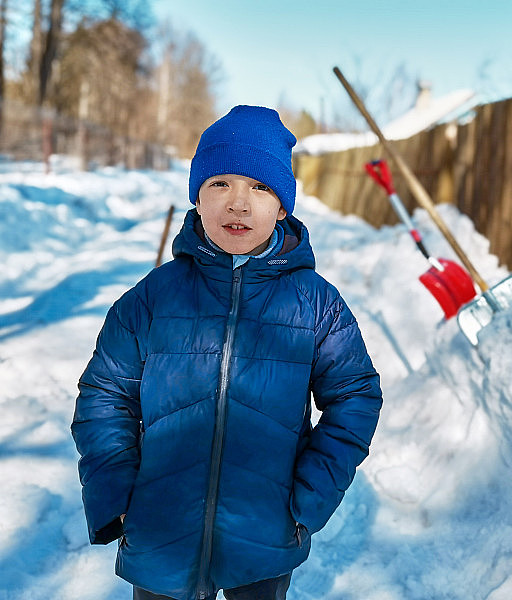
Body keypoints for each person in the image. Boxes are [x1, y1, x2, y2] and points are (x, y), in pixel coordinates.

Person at [71, 106, 383, 600]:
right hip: (160, 533)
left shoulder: (315, 303)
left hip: (264, 536)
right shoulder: (154, 298)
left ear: (283, 207)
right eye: (220, 184)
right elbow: (104, 393)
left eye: (260, 188)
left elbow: (356, 396)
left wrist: (309, 497)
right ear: (196, 196)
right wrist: (118, 491)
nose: (239, 204)